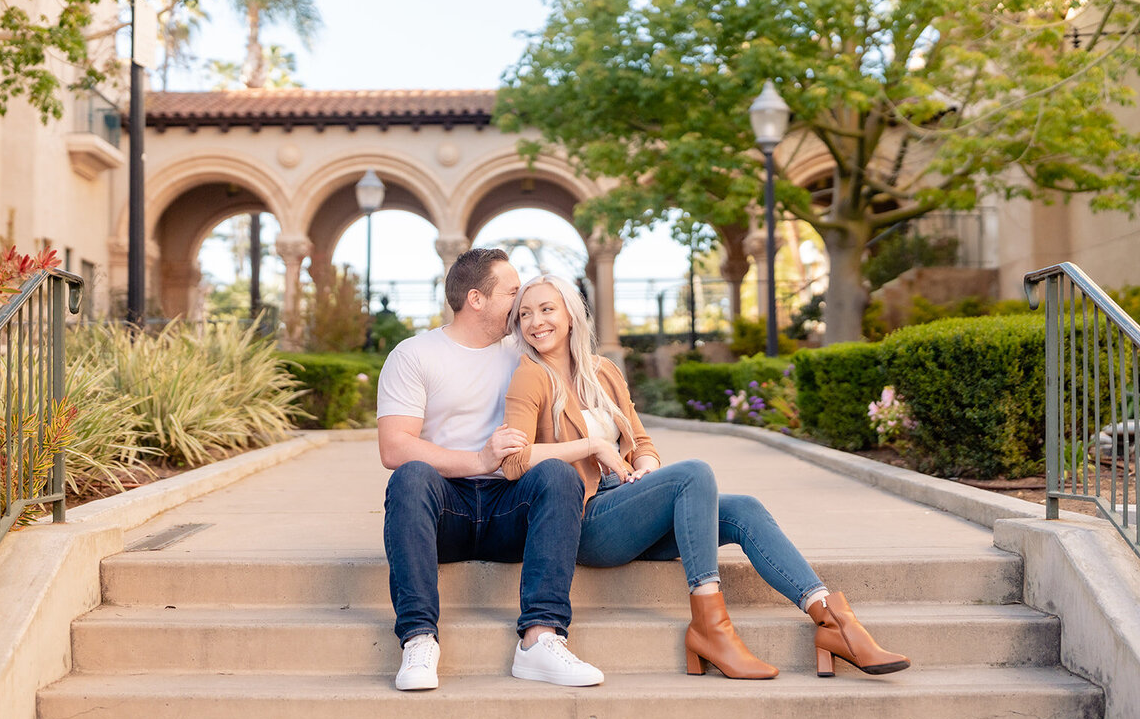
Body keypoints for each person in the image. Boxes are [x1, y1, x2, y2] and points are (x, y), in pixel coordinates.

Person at [501, 274, 911, 680]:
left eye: (546, 309)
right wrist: (591, 447)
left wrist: (646, 469)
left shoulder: (602, 371)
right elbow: (514, 461)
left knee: (743, 509)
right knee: (694, 474)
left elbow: (641, 441)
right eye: (525, 314)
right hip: (586, 521)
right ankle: (710, 627)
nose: (536, 321)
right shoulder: (531, 375)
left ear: (571, 316)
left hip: (629, 502)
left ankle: (832, 621)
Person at [377, 249, 604, 692]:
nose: (524, 306)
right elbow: (394, 446)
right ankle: (419, 639)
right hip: (446, 510)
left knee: (558, 474)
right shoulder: (414, 354)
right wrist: (479, 461)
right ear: (477, 299)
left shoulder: (526, 354)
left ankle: (540, 638)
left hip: (510, 508)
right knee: (409, 476)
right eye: (514, 292)